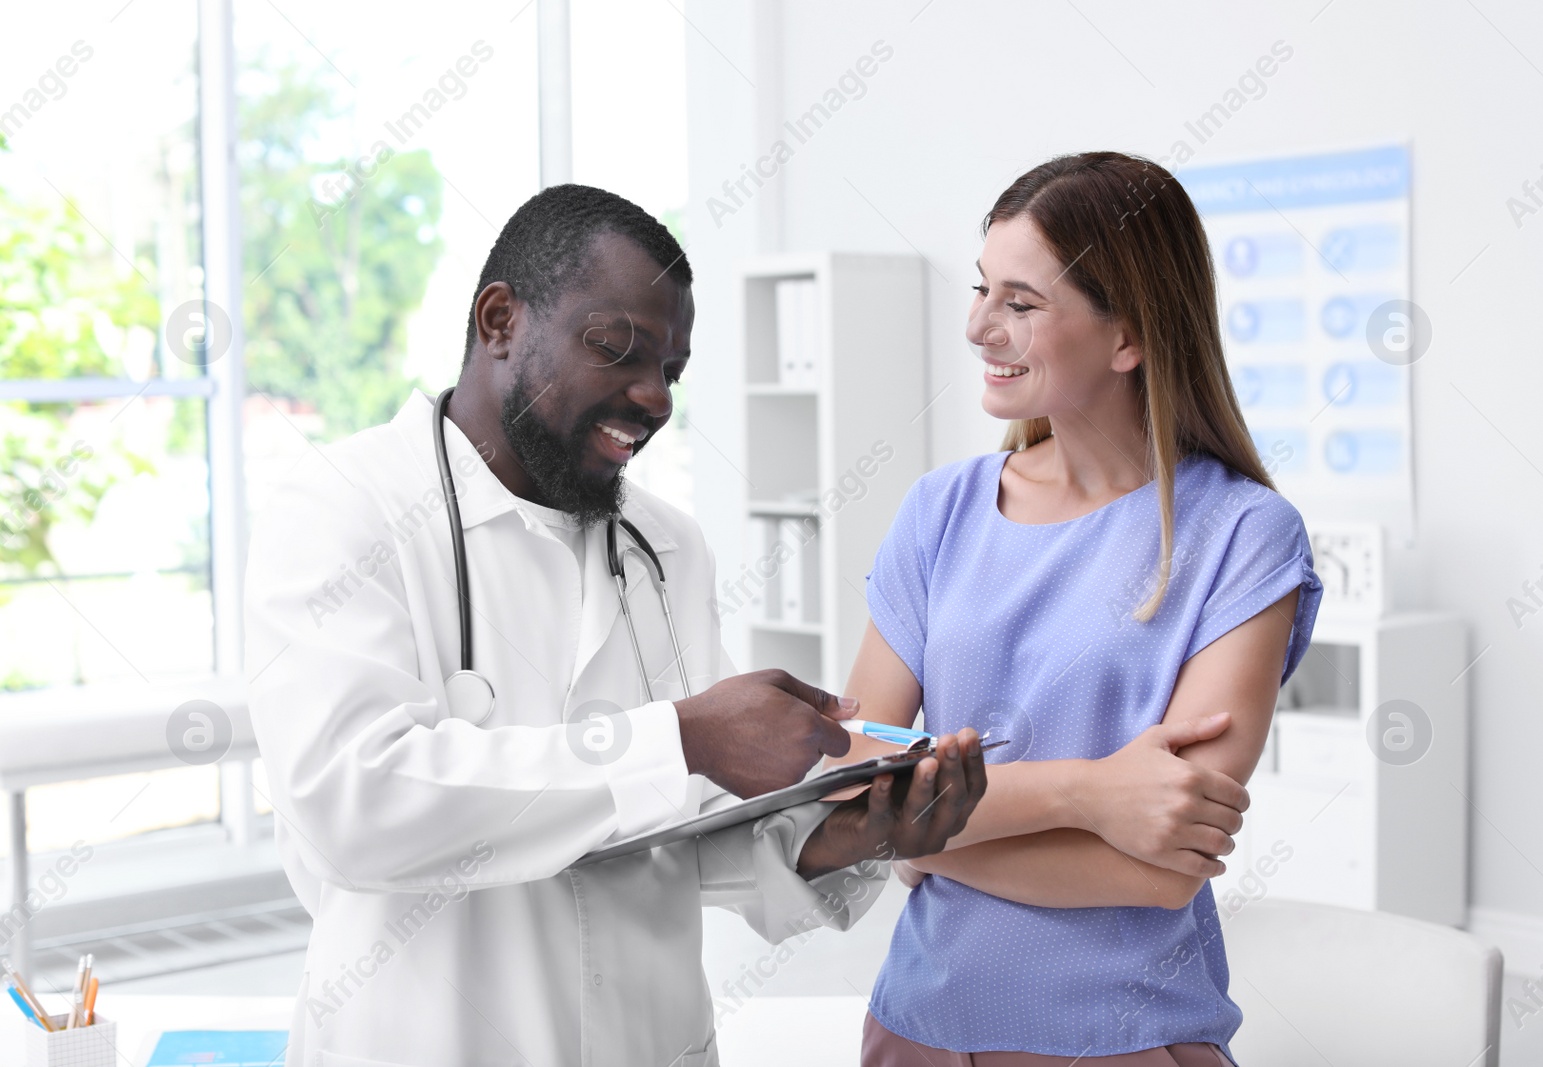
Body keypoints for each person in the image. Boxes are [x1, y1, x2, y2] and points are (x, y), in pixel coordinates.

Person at [243, 183, 987, 1067]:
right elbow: (351, 806)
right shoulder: (345, 508)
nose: (655, 395)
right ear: (499, 321)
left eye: (671, 369)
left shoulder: (666, 546)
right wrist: (679, 736)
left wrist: (854, 836)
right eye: (615, 348)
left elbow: (683, 836)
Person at [843, 153, 1324, 1065]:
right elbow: (848, 785)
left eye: (1020, 303)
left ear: (1128, 337)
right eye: (984, 290)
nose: (980, 326)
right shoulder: (938, 513)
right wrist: (1089, 793)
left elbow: (1154, 869)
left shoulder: (1243, 538)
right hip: (914, 1032)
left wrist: (919, 838)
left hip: (1124, 1042)